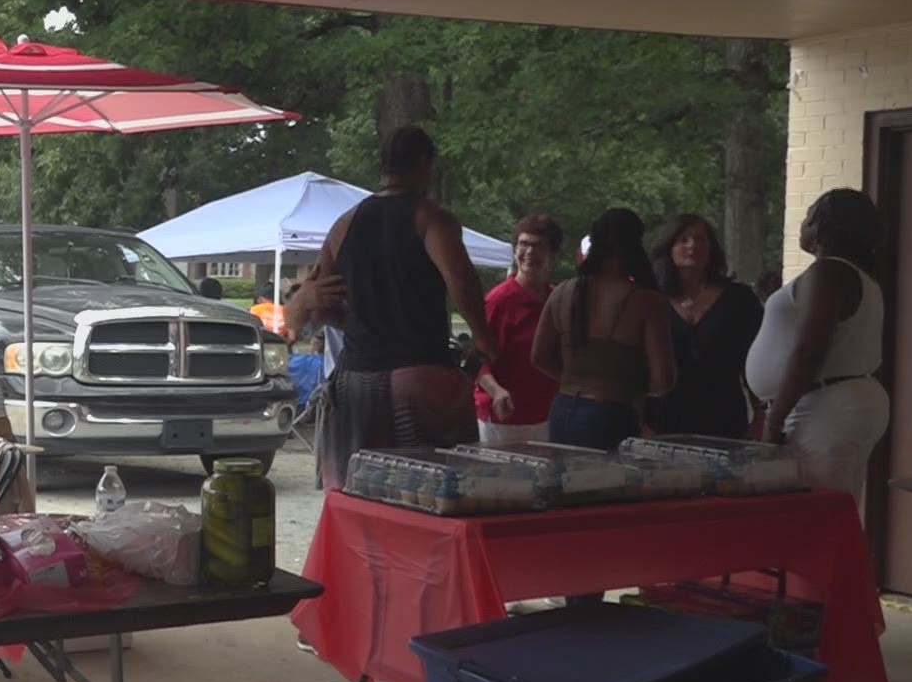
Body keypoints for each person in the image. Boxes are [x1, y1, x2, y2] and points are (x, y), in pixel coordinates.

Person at [284, 125, 496, 487]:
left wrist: (359, 324)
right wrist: (482, 337)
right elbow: (461, 281)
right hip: (420, 374)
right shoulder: (431, 219)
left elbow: (314, 306)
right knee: (432, 493)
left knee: (362, 495)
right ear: (426, 164)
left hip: (356, 381)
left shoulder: (343, 225)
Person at [745, 188, 887, 501]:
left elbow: (810, 348)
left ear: (822, 225)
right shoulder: (855, 274)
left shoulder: (828, 271)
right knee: (831, 507)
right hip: (834, 402)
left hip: (822, 407)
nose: (802, 223)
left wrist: (774, 420)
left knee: (814, 510)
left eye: (808, 216)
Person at [532, 208, 675, 450]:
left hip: (563, 408)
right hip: (611, 412)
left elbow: (538, 357)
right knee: (608, 484)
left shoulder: (563, 292)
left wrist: (574, 377)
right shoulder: (646, 301)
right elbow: (664, 379)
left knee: (568, 483)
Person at [645, 214, 764, 439]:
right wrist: (639, 419)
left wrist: (761, 416)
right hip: (663, 420)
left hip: (724, 417)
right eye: (683, 240)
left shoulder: (739, 299)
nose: (692, 246)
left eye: (700, 239)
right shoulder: (651, 299)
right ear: (668, 248)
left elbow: (755, 360)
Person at [475, 214, 562, 443]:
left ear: (553, 255)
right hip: (503, 422)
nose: (529, 252)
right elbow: (477, 361)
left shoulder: (557, 301)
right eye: (523, 244)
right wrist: (496, 391)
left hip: (547, 418)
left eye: (538, 246)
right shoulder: (499, 301)